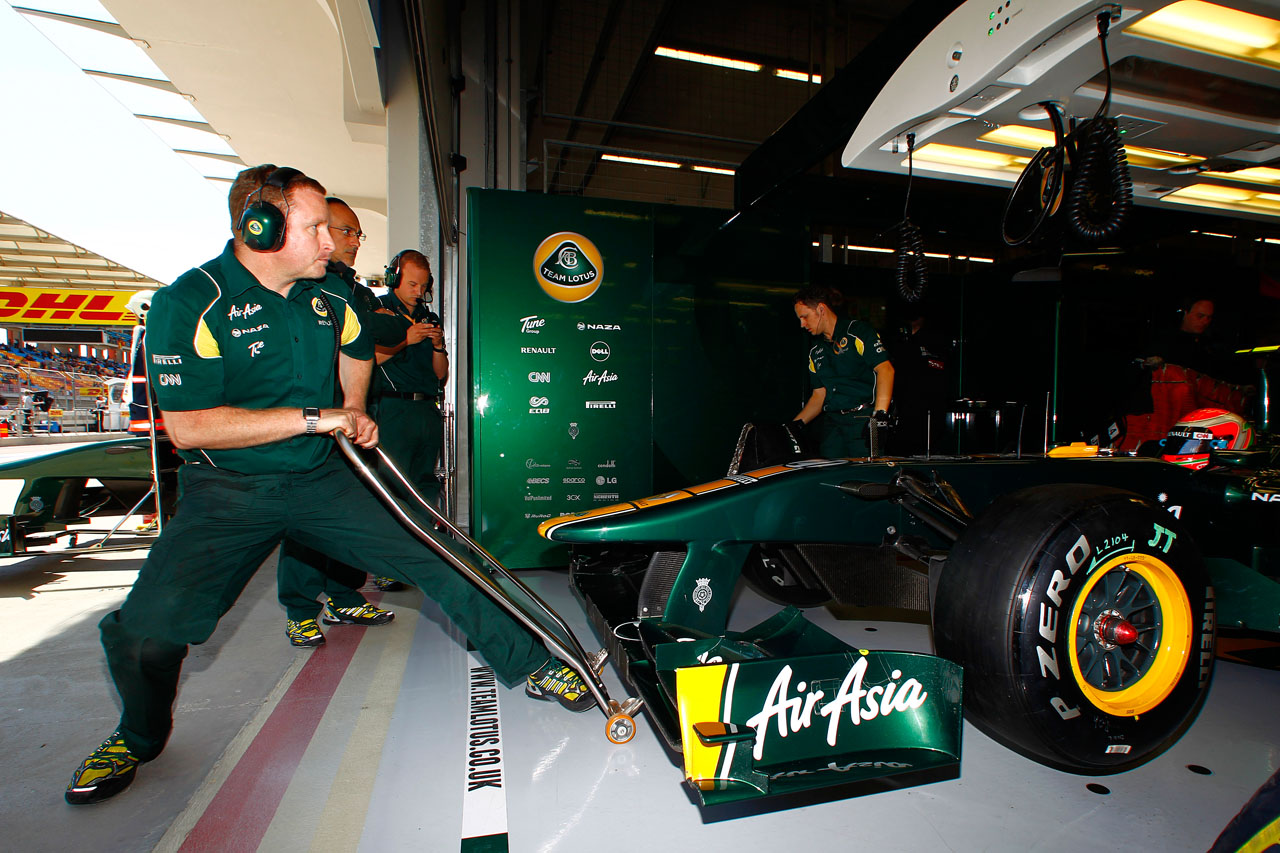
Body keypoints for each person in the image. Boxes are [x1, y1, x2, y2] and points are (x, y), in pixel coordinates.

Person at [65, 164, 595, 807]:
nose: (331, 242)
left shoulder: (332, 298)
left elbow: (356, 348)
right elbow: (187, 426)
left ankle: (536, 665)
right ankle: (137, 735)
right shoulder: (190, 302)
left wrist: (353, 403)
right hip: (229, 492)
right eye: (316, 227)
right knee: (146, 635)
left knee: (439, 555)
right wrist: (319, 417)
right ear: (259, 229)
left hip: (322, 478)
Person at [274, 196, 401, 646]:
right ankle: (300, 609)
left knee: (350, 513)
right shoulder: (303, 283)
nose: (347, 241)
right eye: (341, 230)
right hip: (307, 423)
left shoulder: (353, 288)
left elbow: (384, 335)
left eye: (352, 233)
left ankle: (344, 594)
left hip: (350, 419)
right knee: (304, 521)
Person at [372, 249, 447, 502]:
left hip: (427, 409)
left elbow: (441, 374)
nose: (418, 292)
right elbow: (367, 360)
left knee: (425, 483)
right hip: (394, 409)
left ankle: (425, 533)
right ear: (394, 279)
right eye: (413, 284)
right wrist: (407, 339)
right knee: (392, 483)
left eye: (423, 285)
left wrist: (437, 346)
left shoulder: (429, 317)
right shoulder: (377, 311)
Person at [791, 284, 894, 457]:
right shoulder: (815, 351)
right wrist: (794, 426)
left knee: (864, 477)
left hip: (863, 421)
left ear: (821, 309)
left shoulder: (858, 332)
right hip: (833, 424)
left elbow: (886, 370)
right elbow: (819, 395)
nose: (802, 324)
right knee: (830, 477)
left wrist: (880, 417)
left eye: (805, 317)